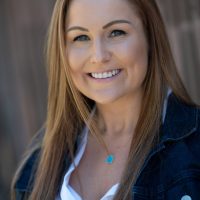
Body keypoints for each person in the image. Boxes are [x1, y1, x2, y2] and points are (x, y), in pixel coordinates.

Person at [11, 0, 200, 199]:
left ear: (150, 38)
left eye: (116, 32)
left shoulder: (194, 149)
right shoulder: (38, 166)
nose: (99, 56)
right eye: (81, 37)